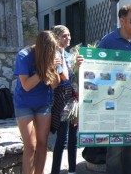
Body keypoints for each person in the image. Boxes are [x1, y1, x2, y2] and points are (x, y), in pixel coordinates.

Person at [77, 4, 131, 174]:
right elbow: (96, 68)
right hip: (114, 102)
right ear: (122, 20)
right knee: (115, 150)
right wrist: (83, 64)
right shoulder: (108, 40)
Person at [13, 31, 61, 174]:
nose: (53, 53)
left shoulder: (53, 55)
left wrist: (53, 70)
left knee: (42, 144)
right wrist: (45, 68)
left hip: (43, 103)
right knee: (30, 145)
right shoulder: (23, 56)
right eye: (50, 50)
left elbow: (55, 85)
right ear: (42, 48)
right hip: (24, 103)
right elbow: (26, 86)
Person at [50, 25, 78, 174]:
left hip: (74, 99)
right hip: (61, 99)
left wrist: (78, 66)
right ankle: (55, 171)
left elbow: (74, 77)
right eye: (64, 36)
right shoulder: (53, 56)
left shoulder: (69, 55)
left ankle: (72, 170)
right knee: (62, 139)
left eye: (69, 35)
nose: (68, 39)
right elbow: (63, 77)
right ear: (56, 38)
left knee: (74, 139)